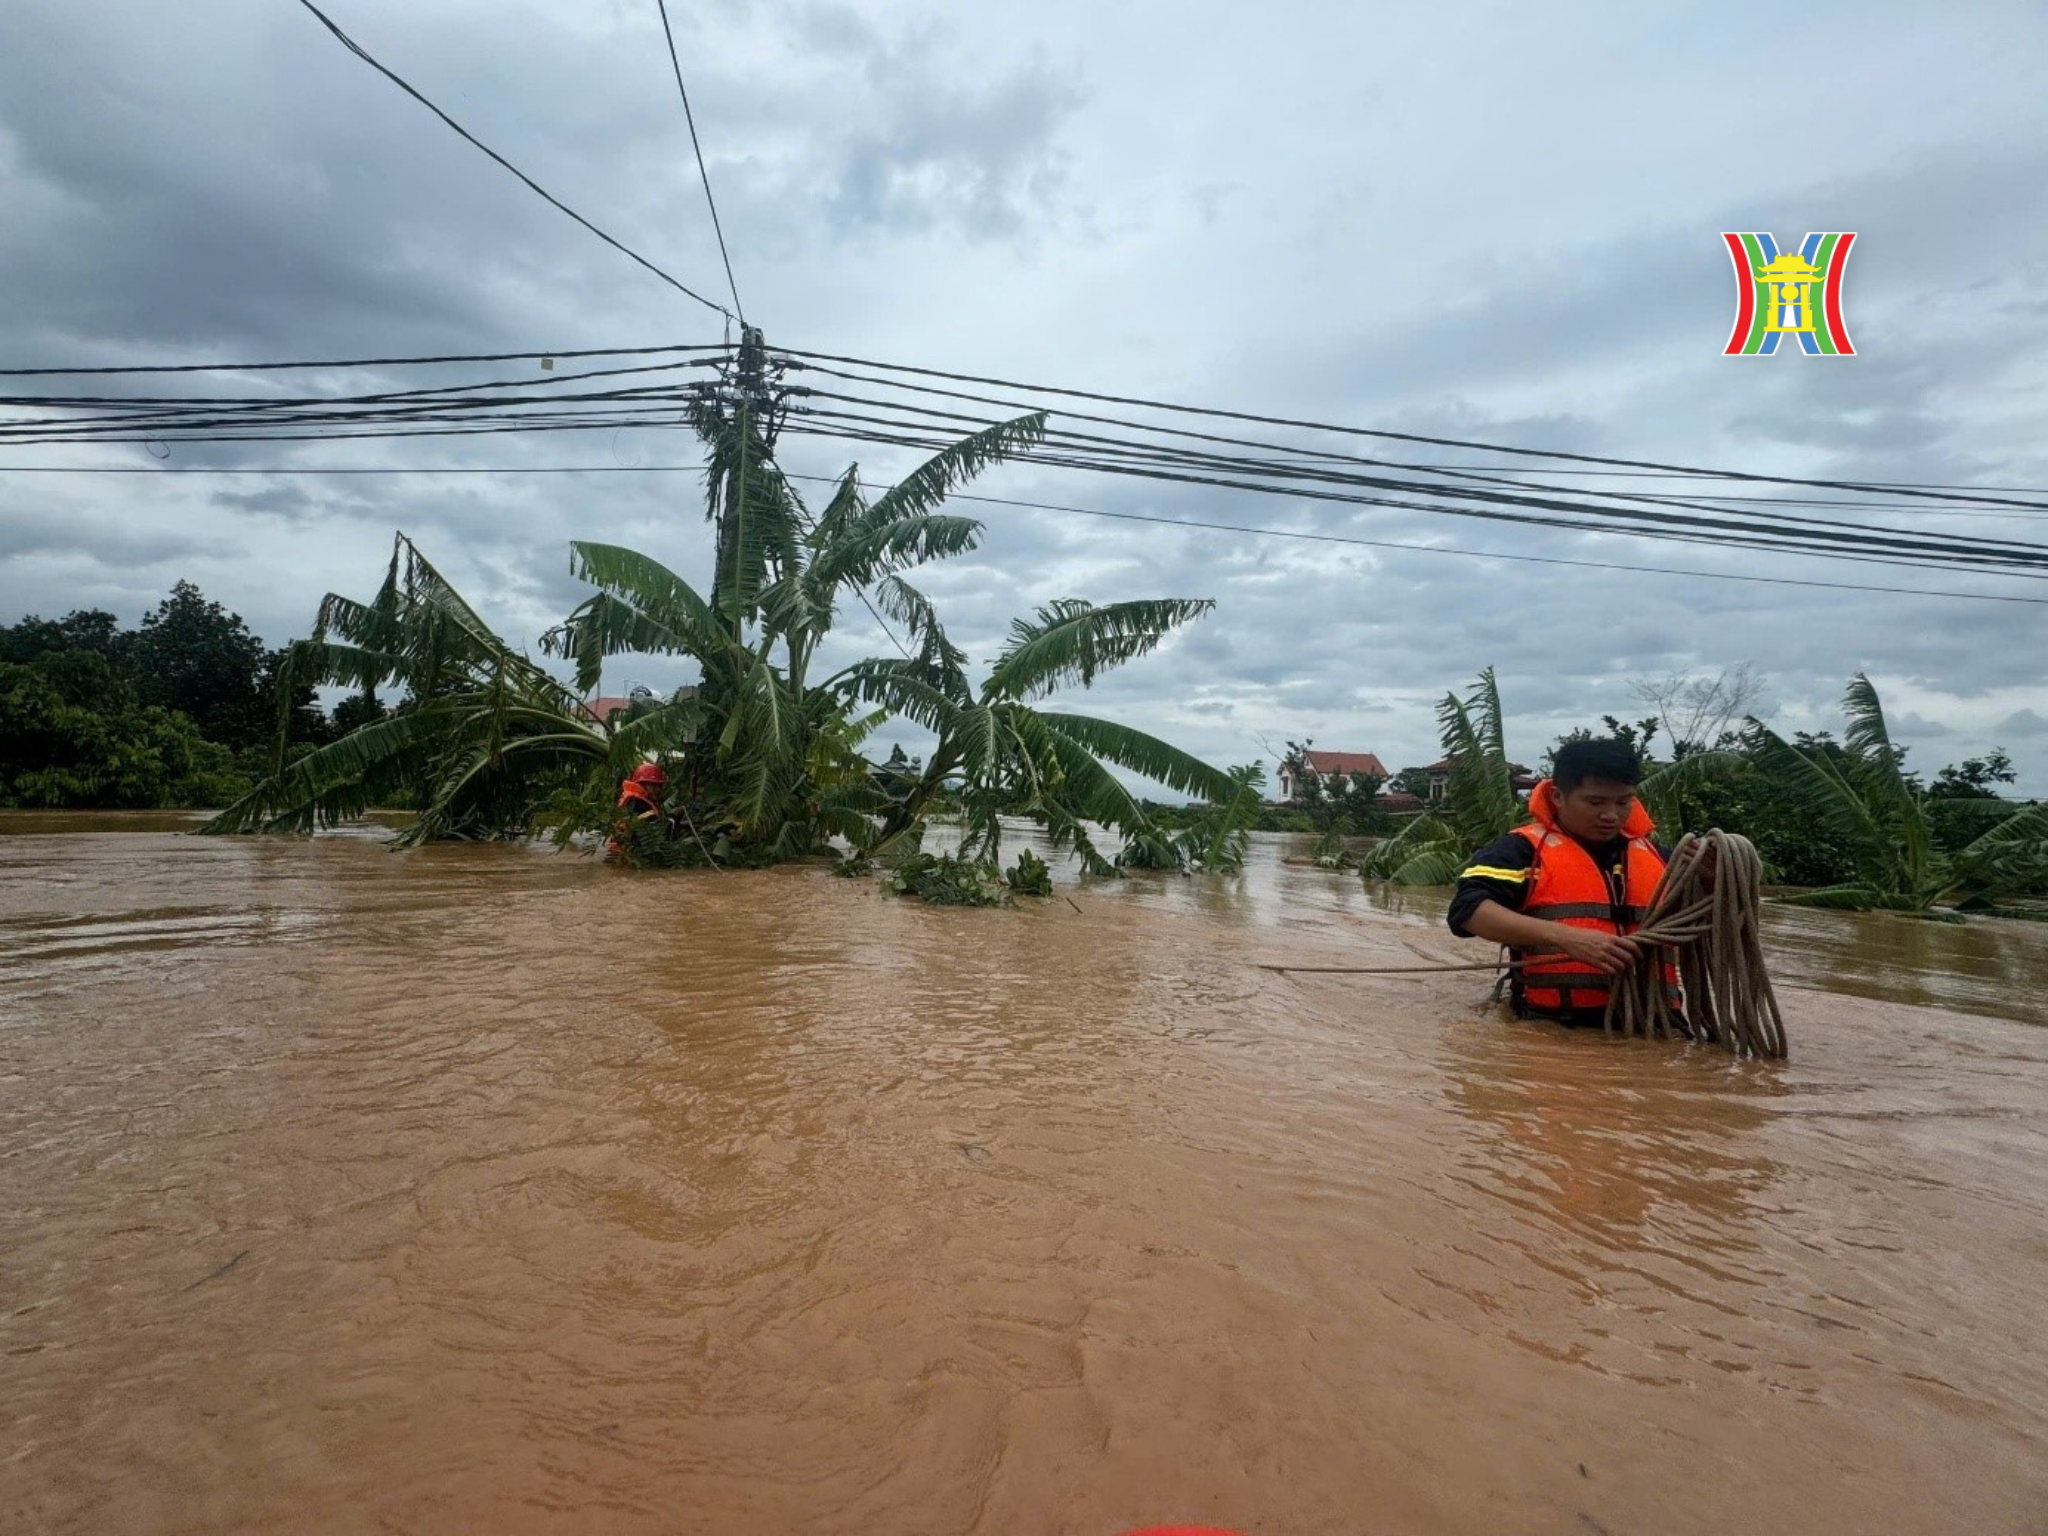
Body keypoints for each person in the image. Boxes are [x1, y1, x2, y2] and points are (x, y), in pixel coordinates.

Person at [1446, 738, 1677, 1024]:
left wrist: (1710, 875)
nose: (1610, 815)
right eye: (1595, 802)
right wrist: (1567, 938)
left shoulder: (1662, 858)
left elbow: (1717, 919)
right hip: (1553, 1028)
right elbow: (1467, 911)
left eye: (1623, 802)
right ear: (1557, 796)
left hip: (1657, 1026)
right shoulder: (1522, 852)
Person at [608, 762, 668, 855]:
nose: (657, 789)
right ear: (642, 784)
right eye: (653, 785)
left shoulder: (631, 799)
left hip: (618, 852)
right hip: (630, 854)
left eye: (659, 786)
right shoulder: (640, 804)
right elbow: (655, 832)